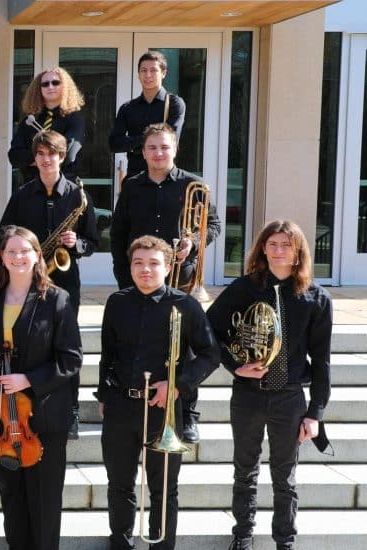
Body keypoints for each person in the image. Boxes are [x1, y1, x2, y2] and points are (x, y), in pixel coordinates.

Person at [206, 220, 332, 550]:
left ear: (298, 251)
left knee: (284, 478)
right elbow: (208, 332)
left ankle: (284, 542)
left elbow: (322, 362)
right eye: (272, 244)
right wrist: (235, 366)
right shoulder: (243, 289)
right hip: (248, 394)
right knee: (245, 471)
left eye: (286, 245)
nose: (279, 251)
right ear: (263, 248)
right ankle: (243, 536)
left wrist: (315, 412)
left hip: (290, 397)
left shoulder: (316, 298)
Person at [97, 235, 218, 550]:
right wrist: (103, 396)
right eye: (139, 263)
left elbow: (210, 355)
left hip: (164, 408)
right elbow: (107, 355)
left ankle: (161, 546)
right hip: (121, 405)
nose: (145, 270)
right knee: (119, 484)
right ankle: (120, 542)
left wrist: (177, 385)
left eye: (154, 263)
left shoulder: (186, 305)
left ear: (167, 267)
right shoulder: (117, 302)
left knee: (164, 489)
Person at [0, 225, 81, 550]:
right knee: (12, 497)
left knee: (44, 503)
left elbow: (71, 359)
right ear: (1, 257)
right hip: (1, 418)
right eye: (11, 251)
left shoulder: (57, 300)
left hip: (43, 417)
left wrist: (28, 379)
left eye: (24, 251)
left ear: (36, 256)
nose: (18, 257)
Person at [110, 123, 221, 442]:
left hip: (181, 281)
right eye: (152, 148)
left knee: (184, 350)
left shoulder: (194, 184)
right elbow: (119, 233)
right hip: (139, 280)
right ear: (143, 152)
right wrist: (122, 274)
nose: (158, 153)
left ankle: (188, 416)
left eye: (164, 147)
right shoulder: (132, 186)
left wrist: (194, 244)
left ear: (174, 150)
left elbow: (212, 225)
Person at [0, 130, 98, 439]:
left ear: (62, 157)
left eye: (52, 154)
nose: (46, 159)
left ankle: (70, 411)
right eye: (41, 154)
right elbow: (1, 235)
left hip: (64, 283)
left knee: (67, 347)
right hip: (27, 282)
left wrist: (77, 242)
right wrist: (20, 248)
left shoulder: (77, 196)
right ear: (35, 159)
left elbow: (93, 241)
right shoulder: (22, 195)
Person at [109, 50, 186, 178]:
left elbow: (172, 141)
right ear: (138, 74)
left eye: (153, 70)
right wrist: (150, 141)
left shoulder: (174, 104)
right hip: (135, 178)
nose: (148, 75)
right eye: (143, 71)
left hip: (165, 178)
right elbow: (114, 144)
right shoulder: (127, 108)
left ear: (163, 73)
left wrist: (133, 144)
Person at [8, 67, 86, 185]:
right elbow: (15, 156)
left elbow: (68, 155)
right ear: (38, 89)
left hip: (64, 185)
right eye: (45, 84)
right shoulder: (29, 120)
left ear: (64, 86)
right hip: (32, 185)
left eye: (55, 83)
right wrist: (50, 157)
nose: (50, 87)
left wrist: (34, 158)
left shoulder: (74, 118)